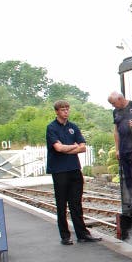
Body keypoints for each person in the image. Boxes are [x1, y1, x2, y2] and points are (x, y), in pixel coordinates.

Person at [45, 100, 101, 245]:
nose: (66, 112)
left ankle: (82, 234)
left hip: (74, 168)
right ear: (57, 111)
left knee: (76, 204)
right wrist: (73, 147)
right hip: (59, 170)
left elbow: (83, 147)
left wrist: (67, 148)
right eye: (62, 109)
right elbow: (58, 148)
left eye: (67, 109)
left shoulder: (73, 127)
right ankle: (65, 236)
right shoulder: (51, 128)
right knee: (61, 204)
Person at [107, 91, 132, 212]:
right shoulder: (115, 112)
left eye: (113, 103)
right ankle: (131, 198)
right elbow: (116, 131)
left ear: (120, 99)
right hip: (123, 147)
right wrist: (117, 149)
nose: (113, 106)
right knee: (127, 175)